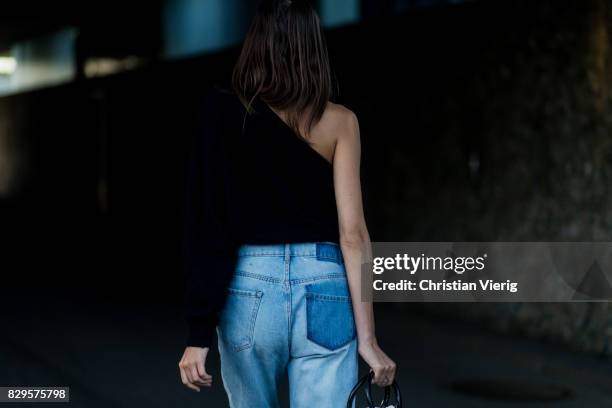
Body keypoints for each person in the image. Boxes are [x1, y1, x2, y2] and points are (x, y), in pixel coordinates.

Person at [178, 0, 396, 406]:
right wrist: (369, 340)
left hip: (249, 288)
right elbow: (353, 234)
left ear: (256, 46)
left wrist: (198, 333)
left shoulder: (222, 113)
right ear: (314, 50)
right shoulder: (340, 122)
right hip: (325, 287)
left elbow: (209, 225)